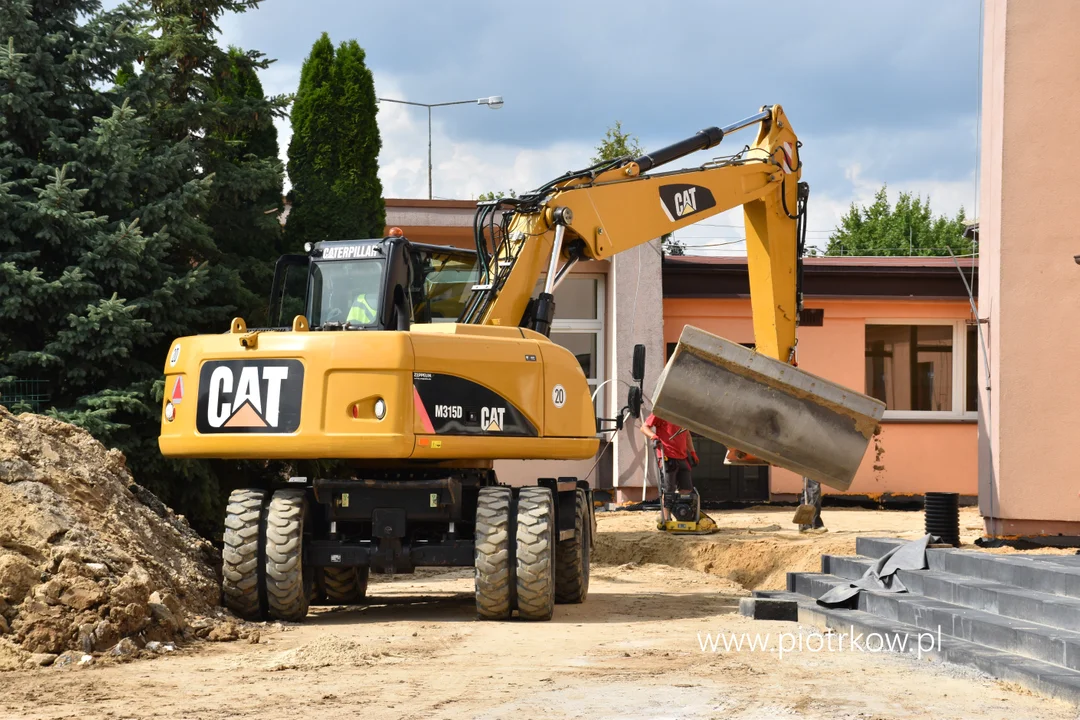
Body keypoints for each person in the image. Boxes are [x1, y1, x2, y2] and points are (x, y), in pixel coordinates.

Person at [640, 412, 699, 520]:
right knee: (668, 490)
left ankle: (683, 515)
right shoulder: (660, 411)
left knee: (686, 489)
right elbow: (644, 427)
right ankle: (666, 518)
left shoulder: (682, 414)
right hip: (666, 456)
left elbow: (687, 434)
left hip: (682, 457)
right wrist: (653, 436)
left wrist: (692, 452)